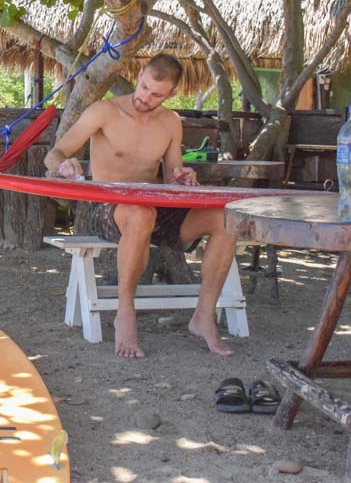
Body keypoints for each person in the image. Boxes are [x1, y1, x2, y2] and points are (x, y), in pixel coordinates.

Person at [44, 53, 236, 359]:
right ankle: (125, 312)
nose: (145, 96)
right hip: (107, 208)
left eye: (156, 94)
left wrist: (184, 176)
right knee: (140, 212)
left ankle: (203, 316)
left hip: (152, 207)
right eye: (144, 86)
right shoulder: (104, 111)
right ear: (140, 74)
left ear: (171, 94)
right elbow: (54, 153)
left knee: (226, 219)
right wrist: (63, 165)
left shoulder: (171, 122)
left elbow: (172, 176)